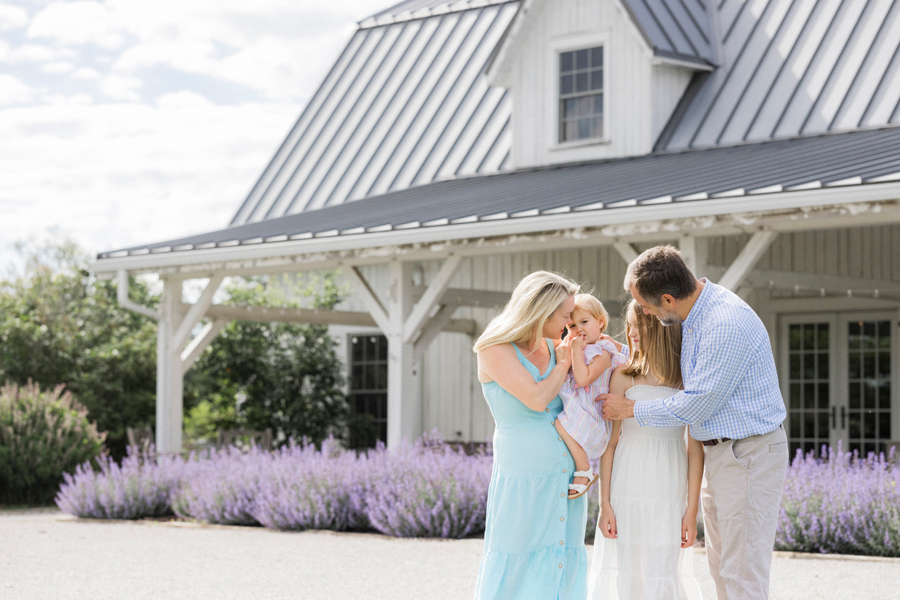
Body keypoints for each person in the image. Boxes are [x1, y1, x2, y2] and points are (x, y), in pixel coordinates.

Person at [599, 245, 788, 600]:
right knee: (723, 566)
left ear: (668, 299)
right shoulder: (698, 316)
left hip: (747, 453)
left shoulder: (723, 323)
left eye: (647, 307)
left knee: (741, 571)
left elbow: (697, 405)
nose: (646, 314)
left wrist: (630, 411)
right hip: (726, 453)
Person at [473, 270, 588, 600]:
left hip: (566, 475)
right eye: (565, 315)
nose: (569, 323)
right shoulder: (494, 348)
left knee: (563, 556)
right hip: (522, 474)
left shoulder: (555, 346)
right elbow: (537, 399)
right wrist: (563, 365)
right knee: (517, 553)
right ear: (542, 311)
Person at [589, 300, 703, 599]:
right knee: (629, 573)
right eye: (629, 325)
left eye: (640, 325)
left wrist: (692, 510)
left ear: (660, 326)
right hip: (626, 485)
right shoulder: (623, 376)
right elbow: (610, 444)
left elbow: (694, 450)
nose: (632, 332)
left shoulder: (686, 380)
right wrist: (605, 505)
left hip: (668, 487)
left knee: (663, 571)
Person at [556, 294, 628, 499]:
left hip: (593, 414)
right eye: (572, 326)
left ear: (600, 322)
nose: (579, 329)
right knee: (560, 424)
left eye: (584, 322)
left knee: (561, 424)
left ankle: (584, 470)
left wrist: (575, 350)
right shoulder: (579, 349)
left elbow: (583, 378)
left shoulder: (604, 352)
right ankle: (582, 467)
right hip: (582, 408)